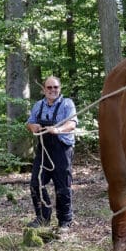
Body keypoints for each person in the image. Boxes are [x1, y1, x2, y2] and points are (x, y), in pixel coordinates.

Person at [25, 76, 77, 230]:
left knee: (63, 187)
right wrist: (33, 127)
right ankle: (43, 217)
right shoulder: (38, 105)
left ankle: (65, 222)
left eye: (56, 87)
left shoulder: (67, 104)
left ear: (60, 88)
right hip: (43, 151)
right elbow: (29, 123)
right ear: (44, 89)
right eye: (49, 87)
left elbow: (72, 124)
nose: (53, 90)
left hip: (62, 150)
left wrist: (58, 130)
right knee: (36, 184)